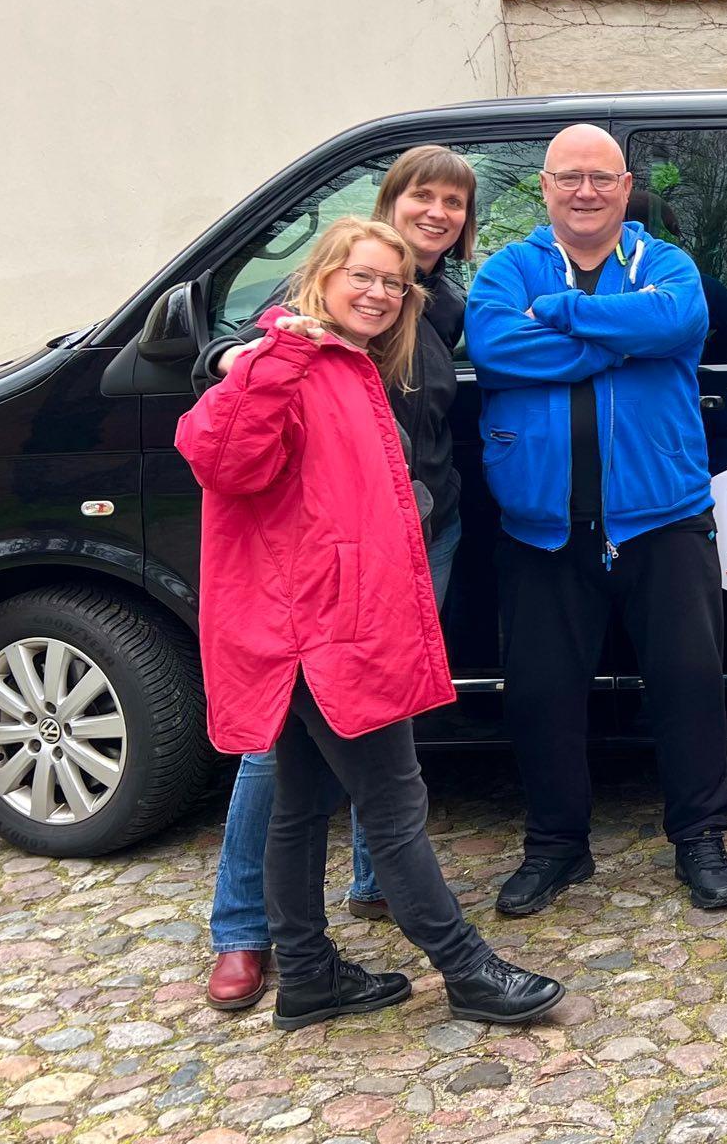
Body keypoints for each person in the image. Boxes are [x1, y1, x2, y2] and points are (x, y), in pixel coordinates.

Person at [177, 217, 563, 1029]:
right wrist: (270, 356)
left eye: (394, 281)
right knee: (392, 802)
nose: (380, 293)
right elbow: (219, 455)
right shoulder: (287, 361)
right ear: (320, 275)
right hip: (321, 633)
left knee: (298, 801)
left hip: (325, 623)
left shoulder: (345, 362)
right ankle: (466, 968)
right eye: (362, 275)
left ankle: (308, 972)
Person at [201, 145, 478, 1010]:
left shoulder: (432, 309)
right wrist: (249, 359)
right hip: (327, 588)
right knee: (313, 762)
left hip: (404, 546)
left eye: (454, 202)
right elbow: (228, 424)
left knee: (337, 753)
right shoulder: (300, 337)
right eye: (422, 195)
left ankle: (345, 920)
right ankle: (247, 928)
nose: (437, 212)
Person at [467, 124, 727, 916]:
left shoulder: (667, 263)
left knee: (688, 686)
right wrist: (619, 339)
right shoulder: (508, 267)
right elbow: (495, 346)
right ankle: (557, 846)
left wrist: (561, 313)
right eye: (569, 177)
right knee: (542, 696)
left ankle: (700, 838)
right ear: (545, 188)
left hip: (664, 518)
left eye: (601, 177)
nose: (584, 191)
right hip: (542, 527)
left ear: (626, 188)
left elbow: (678, 321)